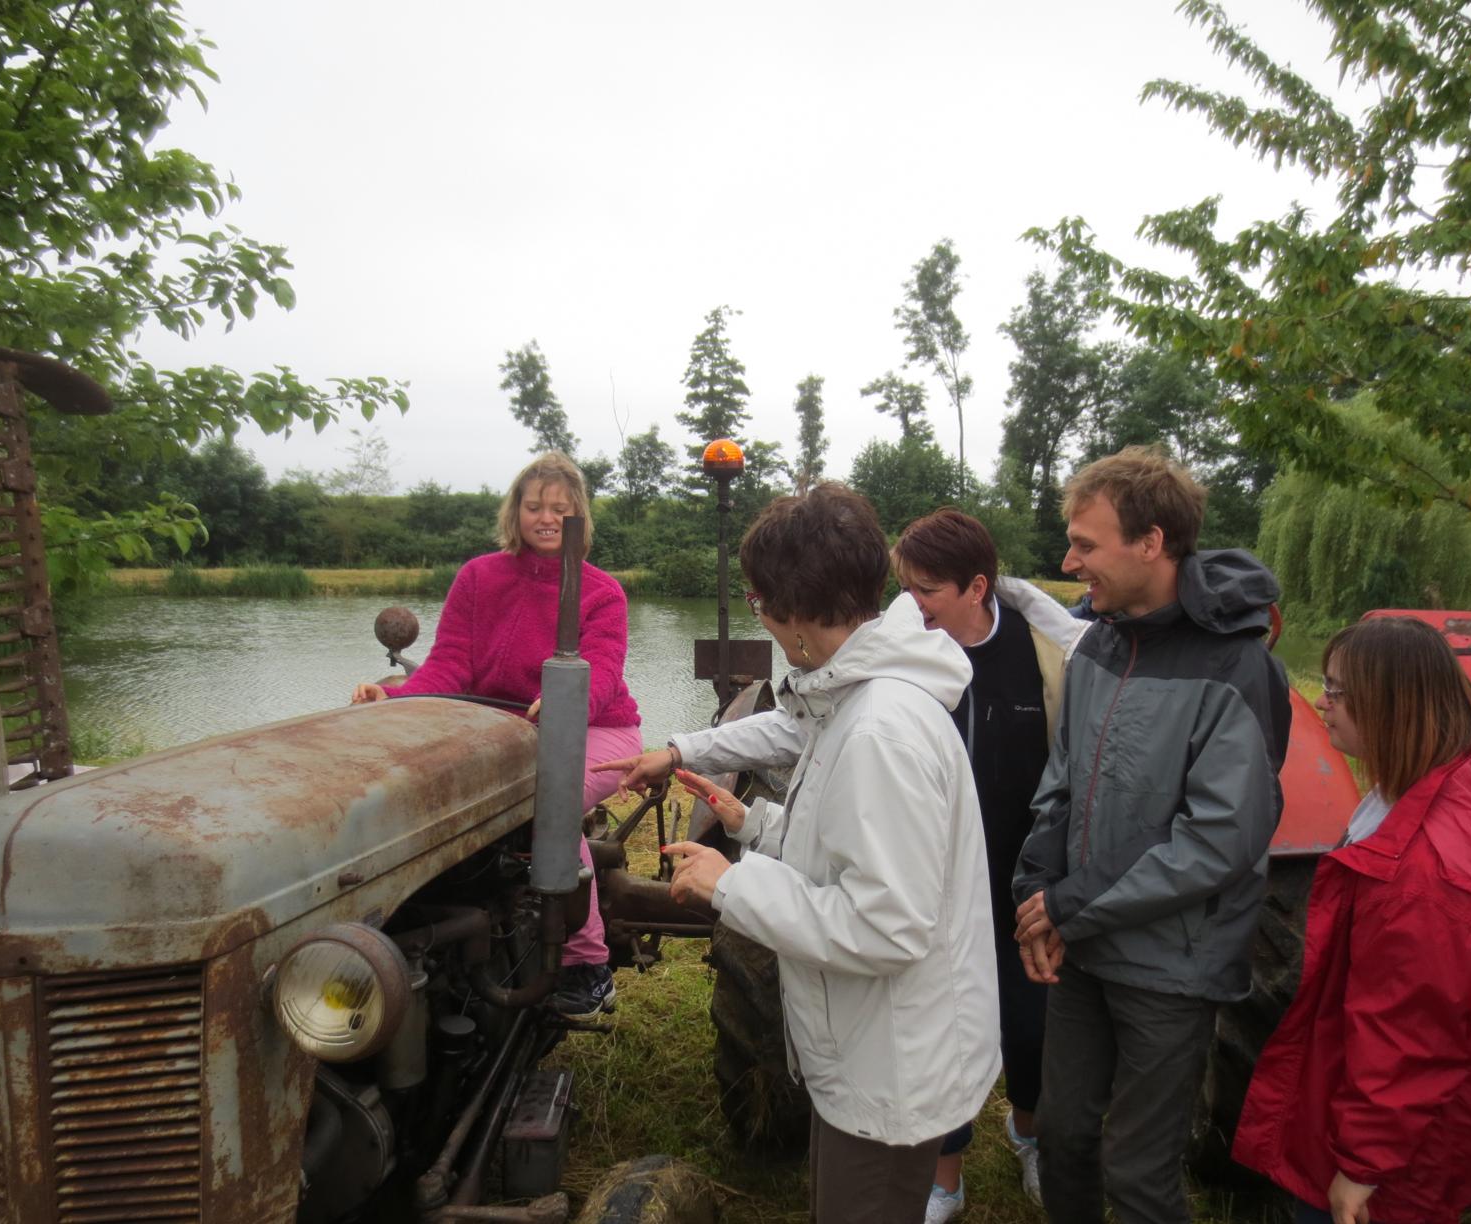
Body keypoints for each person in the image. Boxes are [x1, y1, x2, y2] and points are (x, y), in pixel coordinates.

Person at [598, 483, 1000, 1224]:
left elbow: (886, 924)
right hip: (873, 1051)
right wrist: (751, 824)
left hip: (891, 1068)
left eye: (758, 599)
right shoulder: (853, 700)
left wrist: (730, 886)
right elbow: (843, 849)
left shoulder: (879, 729)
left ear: (790, 610)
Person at [1011, 445, 1291, 1224]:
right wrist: (1035, 889)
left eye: (1086, 544)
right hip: (1082, 947)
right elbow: (1060, 780)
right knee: (1063, 1139)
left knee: (1138, 1172)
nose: (1070, 561)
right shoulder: (1100, 643)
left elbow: (1219, 839)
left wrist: (1069, 905)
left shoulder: (1239, 668)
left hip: (1173, 965)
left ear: (1152, 543)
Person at [1233, 616, 1471, 1224]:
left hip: (1399, 1154)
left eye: (1337, 691)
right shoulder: (1454, 784)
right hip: (1427, 1120)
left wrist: (1362, 1167)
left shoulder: (1423, 874)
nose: (1320, 701)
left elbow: (1409, 1037)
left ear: (1390, 704)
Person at [352, 451, 639, 1018]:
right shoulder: (479, 577)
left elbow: (603, 671)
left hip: (598, 730)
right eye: (534, 505)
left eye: (560, 508)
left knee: (549, 805)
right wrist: (395, 696)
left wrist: (566, 700)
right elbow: (449, 666)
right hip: (502, 734)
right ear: (516, 511)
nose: (546, 517)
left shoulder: (602, 592)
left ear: (579, 516)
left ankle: (587, 964)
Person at [890, 509, 1084, 1222]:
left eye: (928, 590)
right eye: (906, 588)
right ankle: (945, 1175)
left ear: (977, 587)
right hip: (935, 877)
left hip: (1022, 878)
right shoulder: (905, 648)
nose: (913, 605)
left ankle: (1025, 1130)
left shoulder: (1047, 652)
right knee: (940, 1025)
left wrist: (1056, 878)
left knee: (1031, 1023)